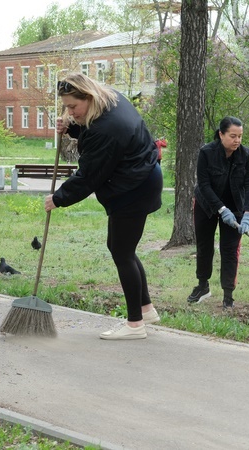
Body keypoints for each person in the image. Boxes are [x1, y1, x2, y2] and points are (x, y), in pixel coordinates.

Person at [45, 73, 163, 340]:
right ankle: (145, 309)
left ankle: (135, 325)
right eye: (66, 107)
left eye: (73, 107)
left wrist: (59, 198)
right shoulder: (110, 98)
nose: (70, 112)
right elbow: (97, 134)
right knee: (122, 248)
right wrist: (74, 129)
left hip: (134, 189)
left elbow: (89, 175)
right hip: (139, 179)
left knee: (121, 252)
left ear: (88, 96)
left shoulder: (108, 128)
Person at [187, 117, 249, 309]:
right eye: (233, 136)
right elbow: (203, 184)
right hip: (206, 205)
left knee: (229, 250)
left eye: (240, 136)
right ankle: (203, 286)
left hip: (234, 206)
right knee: (205, 246)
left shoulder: (246, 155)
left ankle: (228, 296)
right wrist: (220, 208)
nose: (237, 140)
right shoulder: (206, 152)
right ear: (221, 134)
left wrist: (248, 212)